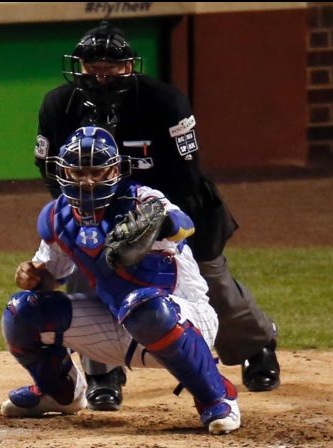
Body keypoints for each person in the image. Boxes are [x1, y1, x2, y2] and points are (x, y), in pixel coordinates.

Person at [32, 21, 279, 411]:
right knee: (87, 280)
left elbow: (187, 171)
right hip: (96, 211)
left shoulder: (165, 101)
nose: (100, 72)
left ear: (130, 66)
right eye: (91, 63)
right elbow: (50, 170)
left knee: (213, 284)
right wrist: (83, 220)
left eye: (111, 65)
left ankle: (256, 346)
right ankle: (103, 375)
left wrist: (154, 224)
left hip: (175, 207)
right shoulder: (58, 104)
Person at [1, 126, 241, 435]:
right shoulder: (57, 217)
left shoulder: (142, 200)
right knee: (22, 312)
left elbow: (184, 225)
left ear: (115, 169)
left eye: (96, 171)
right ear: (62, 172)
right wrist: (32, 275)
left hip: (184, 321)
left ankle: (216, 397)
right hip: (117, 324)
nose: (86, 181)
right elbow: (49, 278)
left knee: (142, 305)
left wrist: (159, 223)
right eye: (77, 172)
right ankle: (60, 393)